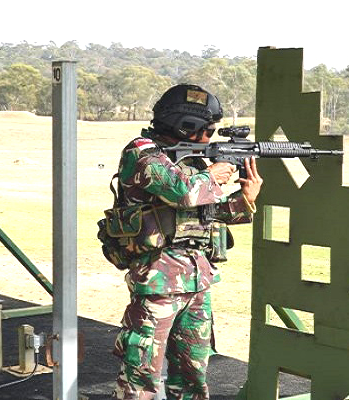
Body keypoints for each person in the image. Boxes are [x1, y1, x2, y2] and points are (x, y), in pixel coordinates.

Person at [111, 84, 263, 399]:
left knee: (194, 375)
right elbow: (183, 193)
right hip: (157, 281)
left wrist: (245, 200)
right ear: (186, 125)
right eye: (207, 130)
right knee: (141, 376)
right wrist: (214, 174)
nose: (210, 136)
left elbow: (206, 214)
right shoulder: (142, 153)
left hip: (197, 279)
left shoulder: (193, 162)